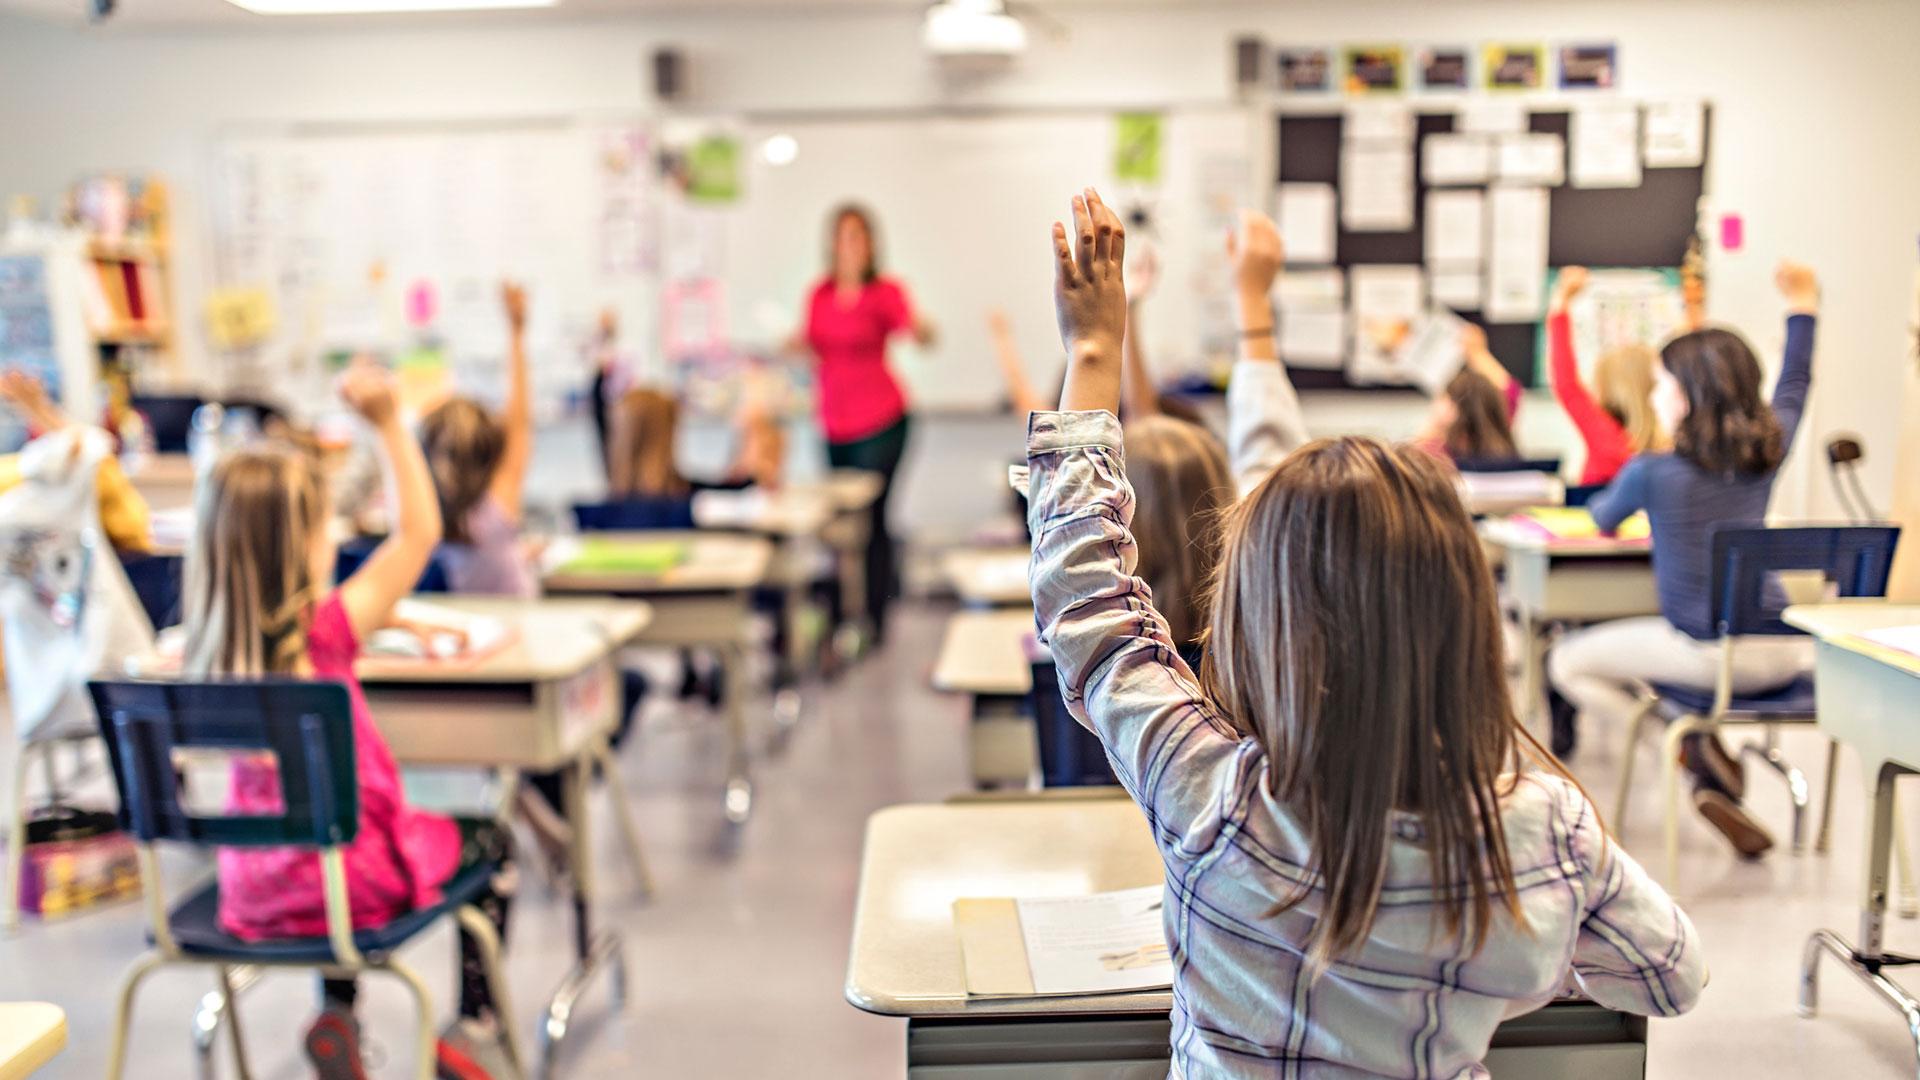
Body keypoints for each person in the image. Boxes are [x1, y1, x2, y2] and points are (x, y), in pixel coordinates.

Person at [1029, 187, 1703, 1077]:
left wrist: (1092, 350)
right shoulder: (1538, 830)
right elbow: (1669, 977)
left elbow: (1093, 610)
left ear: (1263, 615)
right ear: (1460, 617)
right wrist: (1531, 952)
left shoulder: (1213, 799)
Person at [183, 362, 518, 1078]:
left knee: (317, 847)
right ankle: (474, 1026)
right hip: (355, 886)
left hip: (253, 890)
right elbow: (420, 533)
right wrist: (390, 421)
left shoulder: (202, 661)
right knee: (491, 839)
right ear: (306, 545)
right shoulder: (327, 632)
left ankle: (338, 1015)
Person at [1548, 261, 1822, 857]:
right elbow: (1795, 382)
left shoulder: (1653, 471)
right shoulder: (1767, 453)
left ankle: (1686, 750)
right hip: (1785, 650)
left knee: (1566, 662)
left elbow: (1600, 519)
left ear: (1689, 396)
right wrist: (1805, 306)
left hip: (1709, 652)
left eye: (1663, 383)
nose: (1654, 394)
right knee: (1659, 662)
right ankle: (1696, 745)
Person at [792, 204, 934, 644]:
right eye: (843, 236)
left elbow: (918, 330)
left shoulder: (884, 292)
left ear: (871, 244)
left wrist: (921, 327)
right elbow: (810, 347)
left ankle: (875, 619)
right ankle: (838, 614)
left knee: (873, 517)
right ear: (831, 243)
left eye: (859, 236)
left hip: (882, 420)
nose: (850, 245)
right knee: (837, 522)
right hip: (835, 422)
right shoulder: (819, 294)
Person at [420, 282, 538, 599]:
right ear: (492, 449)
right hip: (518, 624)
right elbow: (519, 419)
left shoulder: (426, 516)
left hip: (463, 632)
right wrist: (516, 331)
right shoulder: (499, 502)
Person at [1546, 267, 1666, 485]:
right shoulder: (1666, 445)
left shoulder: (1606, 434)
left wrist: (1560, 302)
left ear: (1608, 387)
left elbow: (1566, 383)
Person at [1414, 323, 1522, 464]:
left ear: (1450, 407)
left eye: (1442, 396)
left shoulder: (1433, 454)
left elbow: (1406, 470)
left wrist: (1432, 428)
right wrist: (1478, 353)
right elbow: (1510, 390)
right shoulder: (1501, 449)